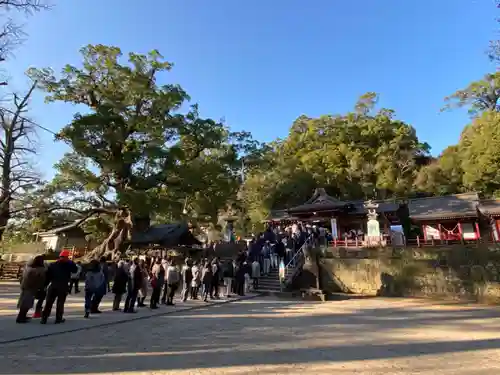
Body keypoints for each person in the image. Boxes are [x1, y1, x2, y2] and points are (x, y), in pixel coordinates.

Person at [41, 250, 78, 324]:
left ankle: (44, 318)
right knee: (60, 303)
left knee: (48, 303)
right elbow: (75, 270)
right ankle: (58, 318)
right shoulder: (68, 265)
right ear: (66, 257)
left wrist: (45, 285)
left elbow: (48, 276)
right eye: (67, 257)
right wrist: (71, 262)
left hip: (53, 285)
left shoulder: (52, 264)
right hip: (63, 286)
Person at [17, 255, 46, 323]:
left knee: (23, 302)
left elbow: (21, 277)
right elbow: (41, 280)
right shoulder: (40, 270)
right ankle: (21, 317)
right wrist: (41, 288)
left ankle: (22, 316)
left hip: (24, 286)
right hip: (31, 288)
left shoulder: (28, 267)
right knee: (27, 303)